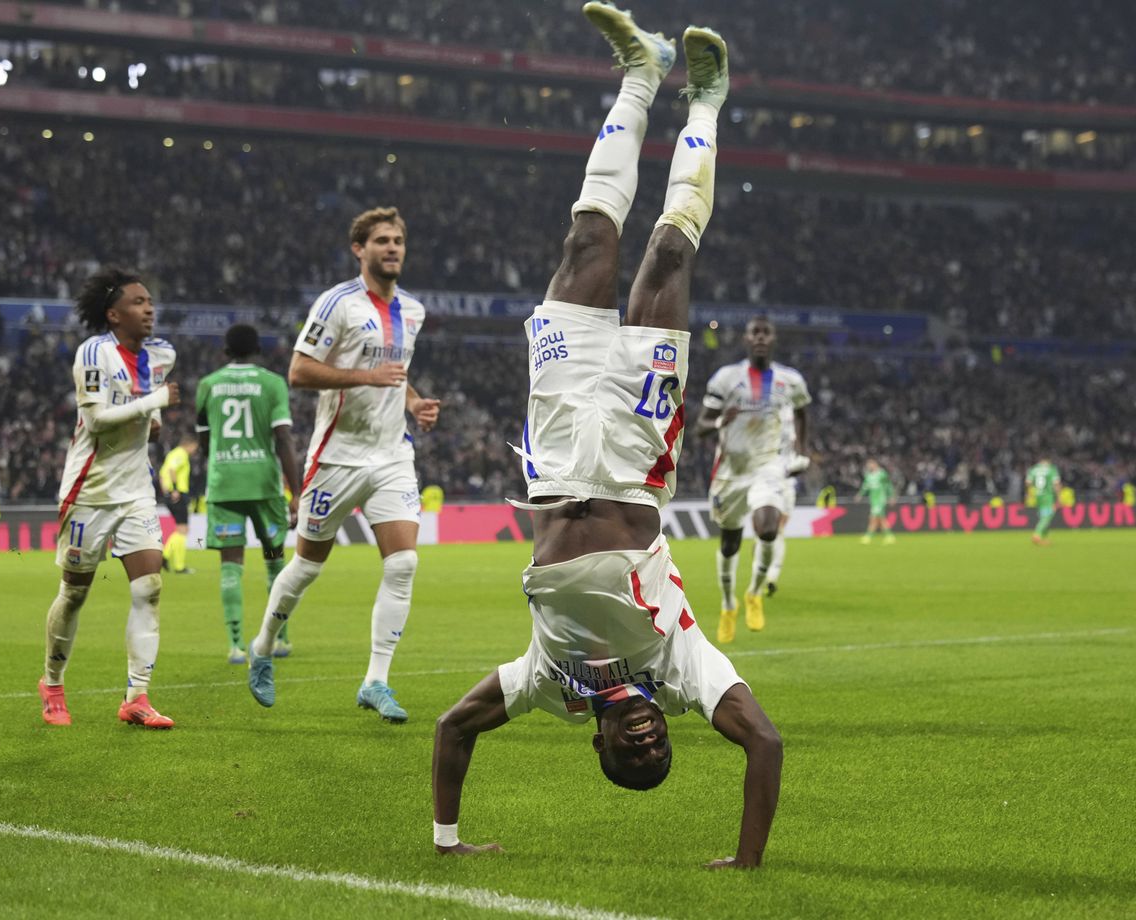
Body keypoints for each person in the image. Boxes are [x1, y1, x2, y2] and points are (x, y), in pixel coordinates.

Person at [431, 5, 781, 869]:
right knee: (665, 258)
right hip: (635, 454)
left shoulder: (549, 686)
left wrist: (447, 840)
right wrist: (747, 861)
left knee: (587, 241)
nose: (646, 739)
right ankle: (703, 101)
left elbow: (454, 727)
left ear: (598, 748)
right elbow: (765, 745)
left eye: (632, 753)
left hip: (553, 447)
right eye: (658, 749)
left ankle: (639, 72)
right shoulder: (686, 668)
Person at [245, 206, 440, 723]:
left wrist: (413, 401)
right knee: (307, 566)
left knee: (403, 564)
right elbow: (299, 371)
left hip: (392, 456)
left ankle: (376, 680)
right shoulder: (337, 304)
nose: (393, 248)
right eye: (382, 240)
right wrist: (365, 379)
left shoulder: (414, 311)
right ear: (360, 249)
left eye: (398, 240)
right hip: (337, 457)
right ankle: (262, 646)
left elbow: (396, 374)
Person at [38, 266, 180, 729]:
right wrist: (153, 403)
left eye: (150, 301)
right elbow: (97, 420)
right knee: (75, 594)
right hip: (90, 492)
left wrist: (149, 422)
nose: (149, 308)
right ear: (114, 314)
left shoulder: (161, 356)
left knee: (150, 588)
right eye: (138, 302)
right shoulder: (94, 352)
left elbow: (141, 415)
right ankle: (53, 684)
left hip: (136, 490)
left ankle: (137, 696)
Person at [695, 317, 810, 641]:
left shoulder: (791, 381)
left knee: (769, 528)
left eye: (766, 333)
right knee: (729, 544)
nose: (760, 338)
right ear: (746, 339)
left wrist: (802, 451)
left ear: (773, 339)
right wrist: (721, 421)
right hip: (730, 473)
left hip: (767, 468)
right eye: (754, 333)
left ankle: (754, 593)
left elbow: (802, 412)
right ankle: (729, 604)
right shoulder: (726, 379)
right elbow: (701, 425)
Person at [196, 324, 303, 665]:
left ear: (225, 351)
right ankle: (279, 639)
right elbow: (283, 439)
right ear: (258, 350)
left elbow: (204, 442)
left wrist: (223, 462)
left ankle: (235, 645)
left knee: (230, 566)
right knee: (274, 563)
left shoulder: (208, 386)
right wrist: (296, 491)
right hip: (264, 486)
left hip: (225, 485)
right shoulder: (272, 384)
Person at [159, 433, 199, 575]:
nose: (195, 450)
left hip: (171, 495)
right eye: (195, 447)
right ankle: (179, 566)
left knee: (179, 530)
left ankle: (165, 557)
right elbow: (171, 470)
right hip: (178, 495)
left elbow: (162, 473)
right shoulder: (180, 454)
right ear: (190, 444)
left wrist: (166, 491)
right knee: (183, 530)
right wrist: (174, 490)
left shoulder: (172, 454)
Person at [856, 459, 895, 544]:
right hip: (873, 500)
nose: (869, 466)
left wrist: (891, 496)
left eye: (870, 464)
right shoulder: (868, 476)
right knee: (880, 519)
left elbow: (888, 485)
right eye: (868, 465)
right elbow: (865, 487)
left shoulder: (882, 474)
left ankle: (868, 537)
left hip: (881, 499)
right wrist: (860, 495)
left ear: (875, 464)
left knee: (873, 518)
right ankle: (889, 536)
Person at [1026, 457, 1062, 545]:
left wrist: (1030, 493)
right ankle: (1037, 534)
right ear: (1048, 461)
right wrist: (1059, 498)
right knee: (1047, 517)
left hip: (1037, 496)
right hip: (1048, 496)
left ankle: (1043, 538)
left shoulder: (1033, 469)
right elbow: (1056, 484)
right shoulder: (1051, 469)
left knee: (1043, 517)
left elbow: (1028, 483)